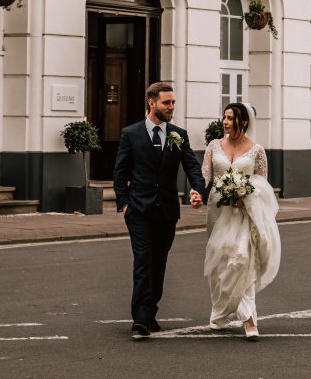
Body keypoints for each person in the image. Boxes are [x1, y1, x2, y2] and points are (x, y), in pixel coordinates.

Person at [113, 82, 208, 341]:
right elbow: (120, 172)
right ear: (152, 103)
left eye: (173, 102)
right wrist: (123, 203)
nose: (172, 107)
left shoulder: (179, 134)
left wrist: (199, 190)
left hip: (167, 210)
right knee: (143, 261)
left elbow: (192, 167)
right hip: (139, 210)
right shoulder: (130, 134)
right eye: (167, 103)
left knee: (159, 262)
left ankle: (150, 311)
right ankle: (140, 318)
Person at [201, 102, 281, 341]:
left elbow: (261, 184)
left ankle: (249, 318)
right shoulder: (214, 146)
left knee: (242, 260)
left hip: (243, 213)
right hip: (217, 209)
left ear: (243, 121)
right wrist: (196, 192)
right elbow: (205, 175)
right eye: (223, 117)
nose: (224, 122)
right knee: (220, 262)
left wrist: (243, 194)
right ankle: (219, 313)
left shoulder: (257, 150)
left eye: (229, 118)